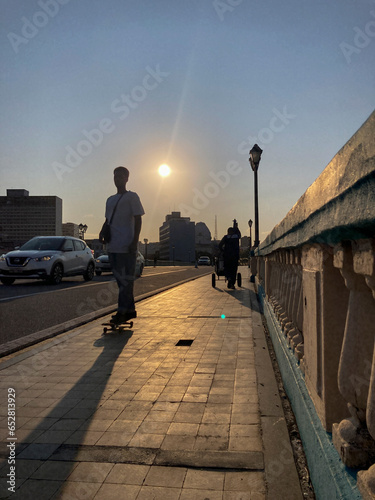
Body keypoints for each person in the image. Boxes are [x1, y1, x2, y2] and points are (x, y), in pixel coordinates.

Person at [102, 166, 144, 324]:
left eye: (120, 176)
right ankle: (130, 310)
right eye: (115, 176)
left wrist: (134, 241)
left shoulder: (132, 197)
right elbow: (107, 220)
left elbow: (139, 219)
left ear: (127, 178)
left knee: (126, 281)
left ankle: (122, 311)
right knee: (121, 281)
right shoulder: (110, 199)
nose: (117, 179)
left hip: (127, 246)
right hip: (113, 246)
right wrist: (102, 232)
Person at [219, 220, 241, 289]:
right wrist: (236, 227)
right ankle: (232, 283)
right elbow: (239, 234)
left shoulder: (226, 237)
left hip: (227, 256)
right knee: (233, 270)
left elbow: (220, 245)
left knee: (227, 268)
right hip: (235, 256)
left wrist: (223, 250)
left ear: (228, 232)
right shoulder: (236, 237)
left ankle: (228, 278)